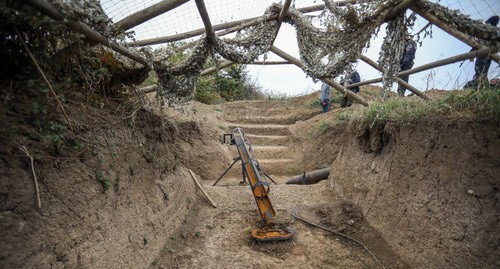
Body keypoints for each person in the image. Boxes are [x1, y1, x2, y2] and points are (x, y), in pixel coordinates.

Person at [464, 15, 499, 89]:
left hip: (485, 55)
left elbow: (477, 44)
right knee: (481, 71)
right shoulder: (487, 35)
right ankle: (479, 83)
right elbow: (477, 44)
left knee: (481, 72)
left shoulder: (489, 35)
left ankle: (479, 84)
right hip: (484, 56)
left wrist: (472, 53)